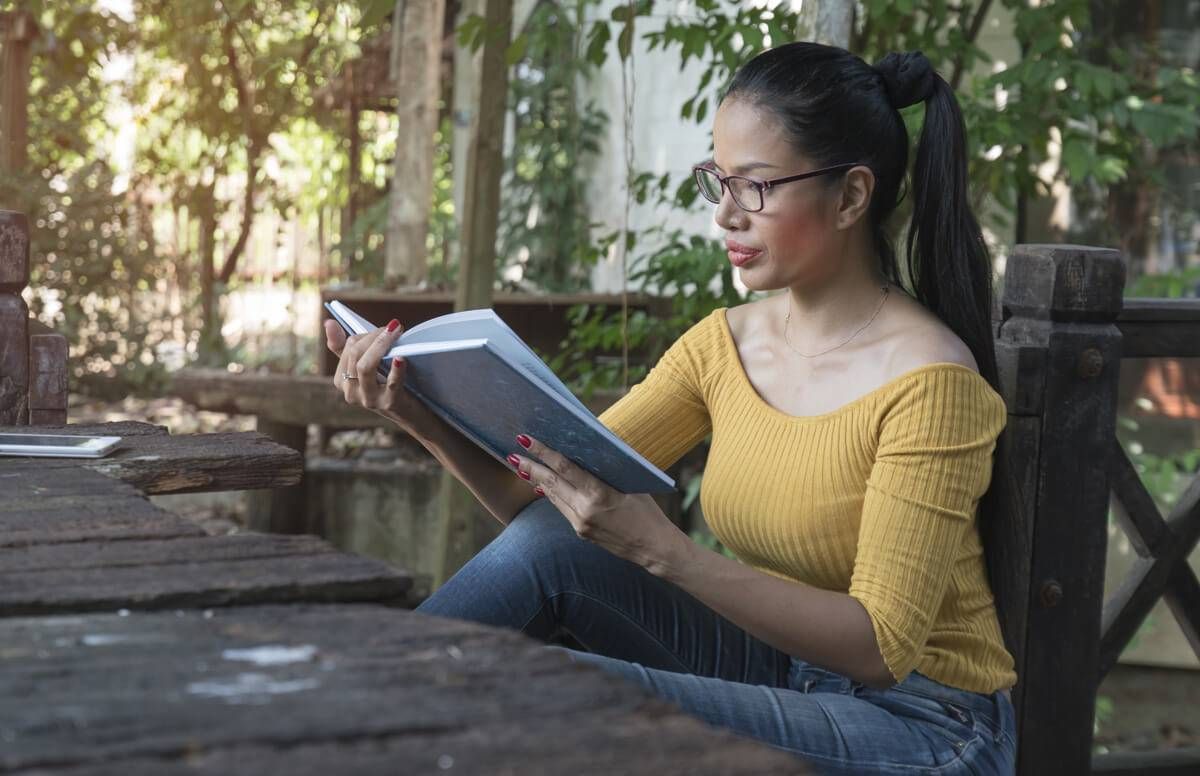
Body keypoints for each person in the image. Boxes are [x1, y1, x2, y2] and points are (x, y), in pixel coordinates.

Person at [326, 43, 1016, 776]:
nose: (724, 215)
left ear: (850, 197)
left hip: (925, 726)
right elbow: (545, 504)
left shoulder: (929, 381)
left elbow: (879, 648)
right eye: (717, 180)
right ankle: (309, 725)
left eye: (754, 187)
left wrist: (665, 552)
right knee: (546, 552)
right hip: (785, 670)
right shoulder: (723, 347)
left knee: (565, 688)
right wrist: (416, 413)